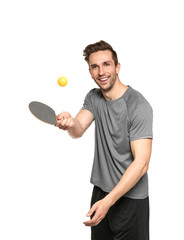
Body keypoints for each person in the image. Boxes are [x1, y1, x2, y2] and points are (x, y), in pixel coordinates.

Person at [55, 40, 153, 240]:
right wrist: (69, 122)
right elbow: (78, 129)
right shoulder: (94, 98)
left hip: (130, 199)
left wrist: (109, 201)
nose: (101, 72)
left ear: (117, 67)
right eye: (94, 67)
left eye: (106, 64)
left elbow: (142, 164)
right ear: (90, 71)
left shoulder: (137, 105)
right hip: (101, 193)